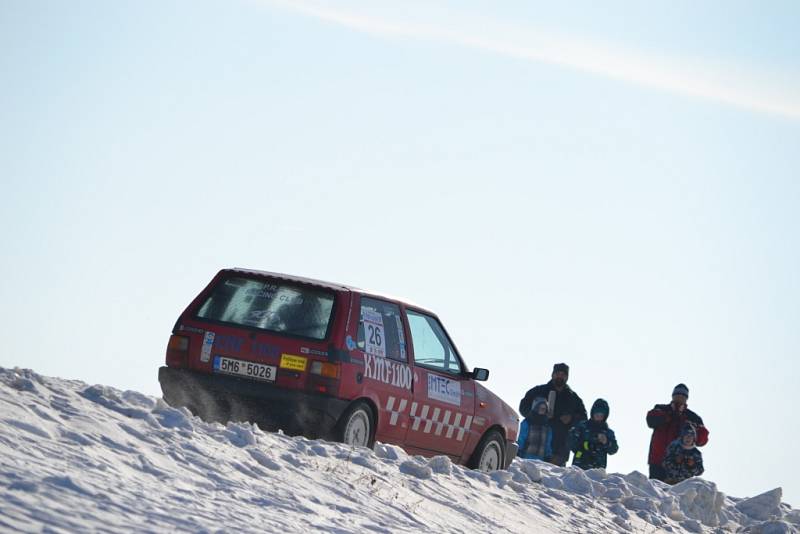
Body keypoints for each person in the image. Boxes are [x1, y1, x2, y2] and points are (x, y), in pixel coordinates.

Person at [519, 363, 587, 466]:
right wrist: (537, 415)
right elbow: (523, 407)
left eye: (563, 374)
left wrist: (571, 419)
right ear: (552, 374)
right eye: (557, 373)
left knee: (554, 481)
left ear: (567, 377)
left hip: (559, 451)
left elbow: (583, 419)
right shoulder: (538, 391)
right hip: (534, 449)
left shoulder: (573, 398)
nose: (560, 376)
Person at [646, 383, 709, 482]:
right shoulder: (661, 409)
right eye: (678, 394)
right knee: (655, 492)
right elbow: (651, 420)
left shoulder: (692, 417)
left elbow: (702, 440)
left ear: (686, 398)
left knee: (677, 494)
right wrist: (668, 416)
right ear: (673, 396)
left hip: (680, 464)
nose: (680, 397)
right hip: (658, 460)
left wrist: (692, 429)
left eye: (683, 395)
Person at [567, 398, 619, 470]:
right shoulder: (582, 427)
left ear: (605, 416)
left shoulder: (608, 432)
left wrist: (606, 442)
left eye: (601, 415)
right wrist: (585, 444)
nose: (599, 417)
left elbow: (613, 449)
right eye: (597, 414)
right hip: (579, 466)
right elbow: (571, 442)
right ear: (593, 413)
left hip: (597, 470)